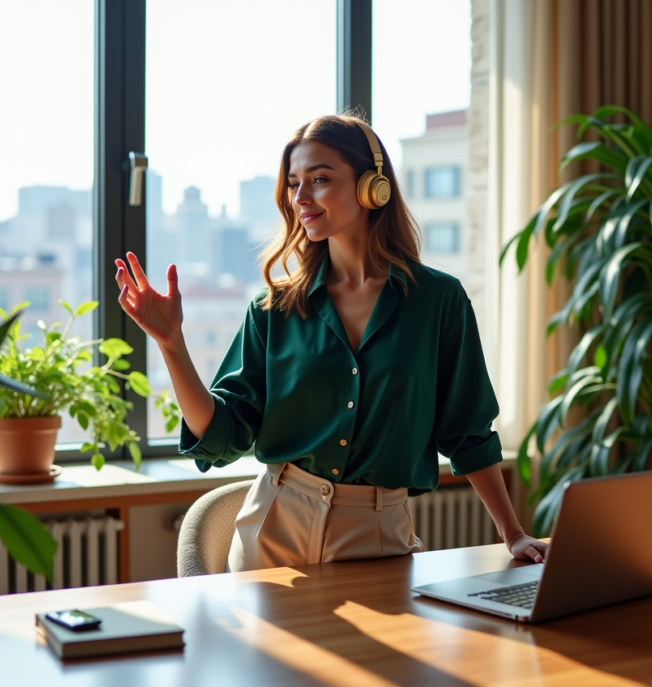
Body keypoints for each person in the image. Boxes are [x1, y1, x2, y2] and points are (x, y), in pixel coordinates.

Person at [115, 114, 548, 572]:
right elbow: (224, 432)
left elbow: (468, 433)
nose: (301, 197)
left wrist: (514, 535)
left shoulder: (439, 301)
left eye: (320, 179)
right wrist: (171, 343)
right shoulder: (275, 307)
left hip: (379, 534)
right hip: (274, 529)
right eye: (294, 183)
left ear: (372, 187)